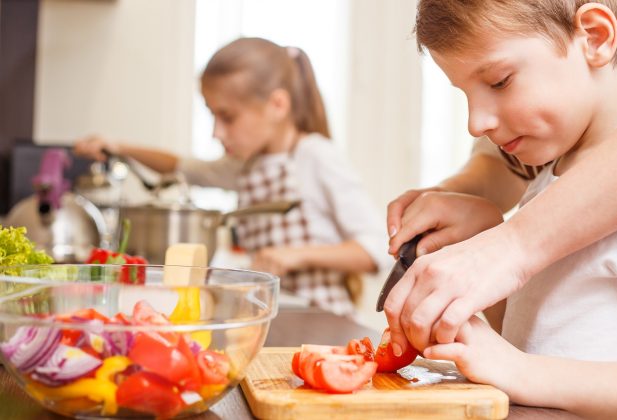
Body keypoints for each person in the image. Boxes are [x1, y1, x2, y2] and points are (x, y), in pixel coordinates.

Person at [397, 1, 617, 417]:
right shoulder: (546, 187)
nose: (475, 123)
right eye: (465, 94)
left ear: (595, 37)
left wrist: (523, 371)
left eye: (499, 82)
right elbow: (528, 346)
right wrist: (484, 239)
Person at [74, 37, 389, 316]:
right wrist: (118, 146)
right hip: (274, 316)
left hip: (322, 322)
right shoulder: (245, 166)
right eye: (213, 115)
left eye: (227, 117)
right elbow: (181, 166)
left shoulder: (315, 156)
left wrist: (294, 256)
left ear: (277, 105)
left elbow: (375, 250)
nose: (216, 132)